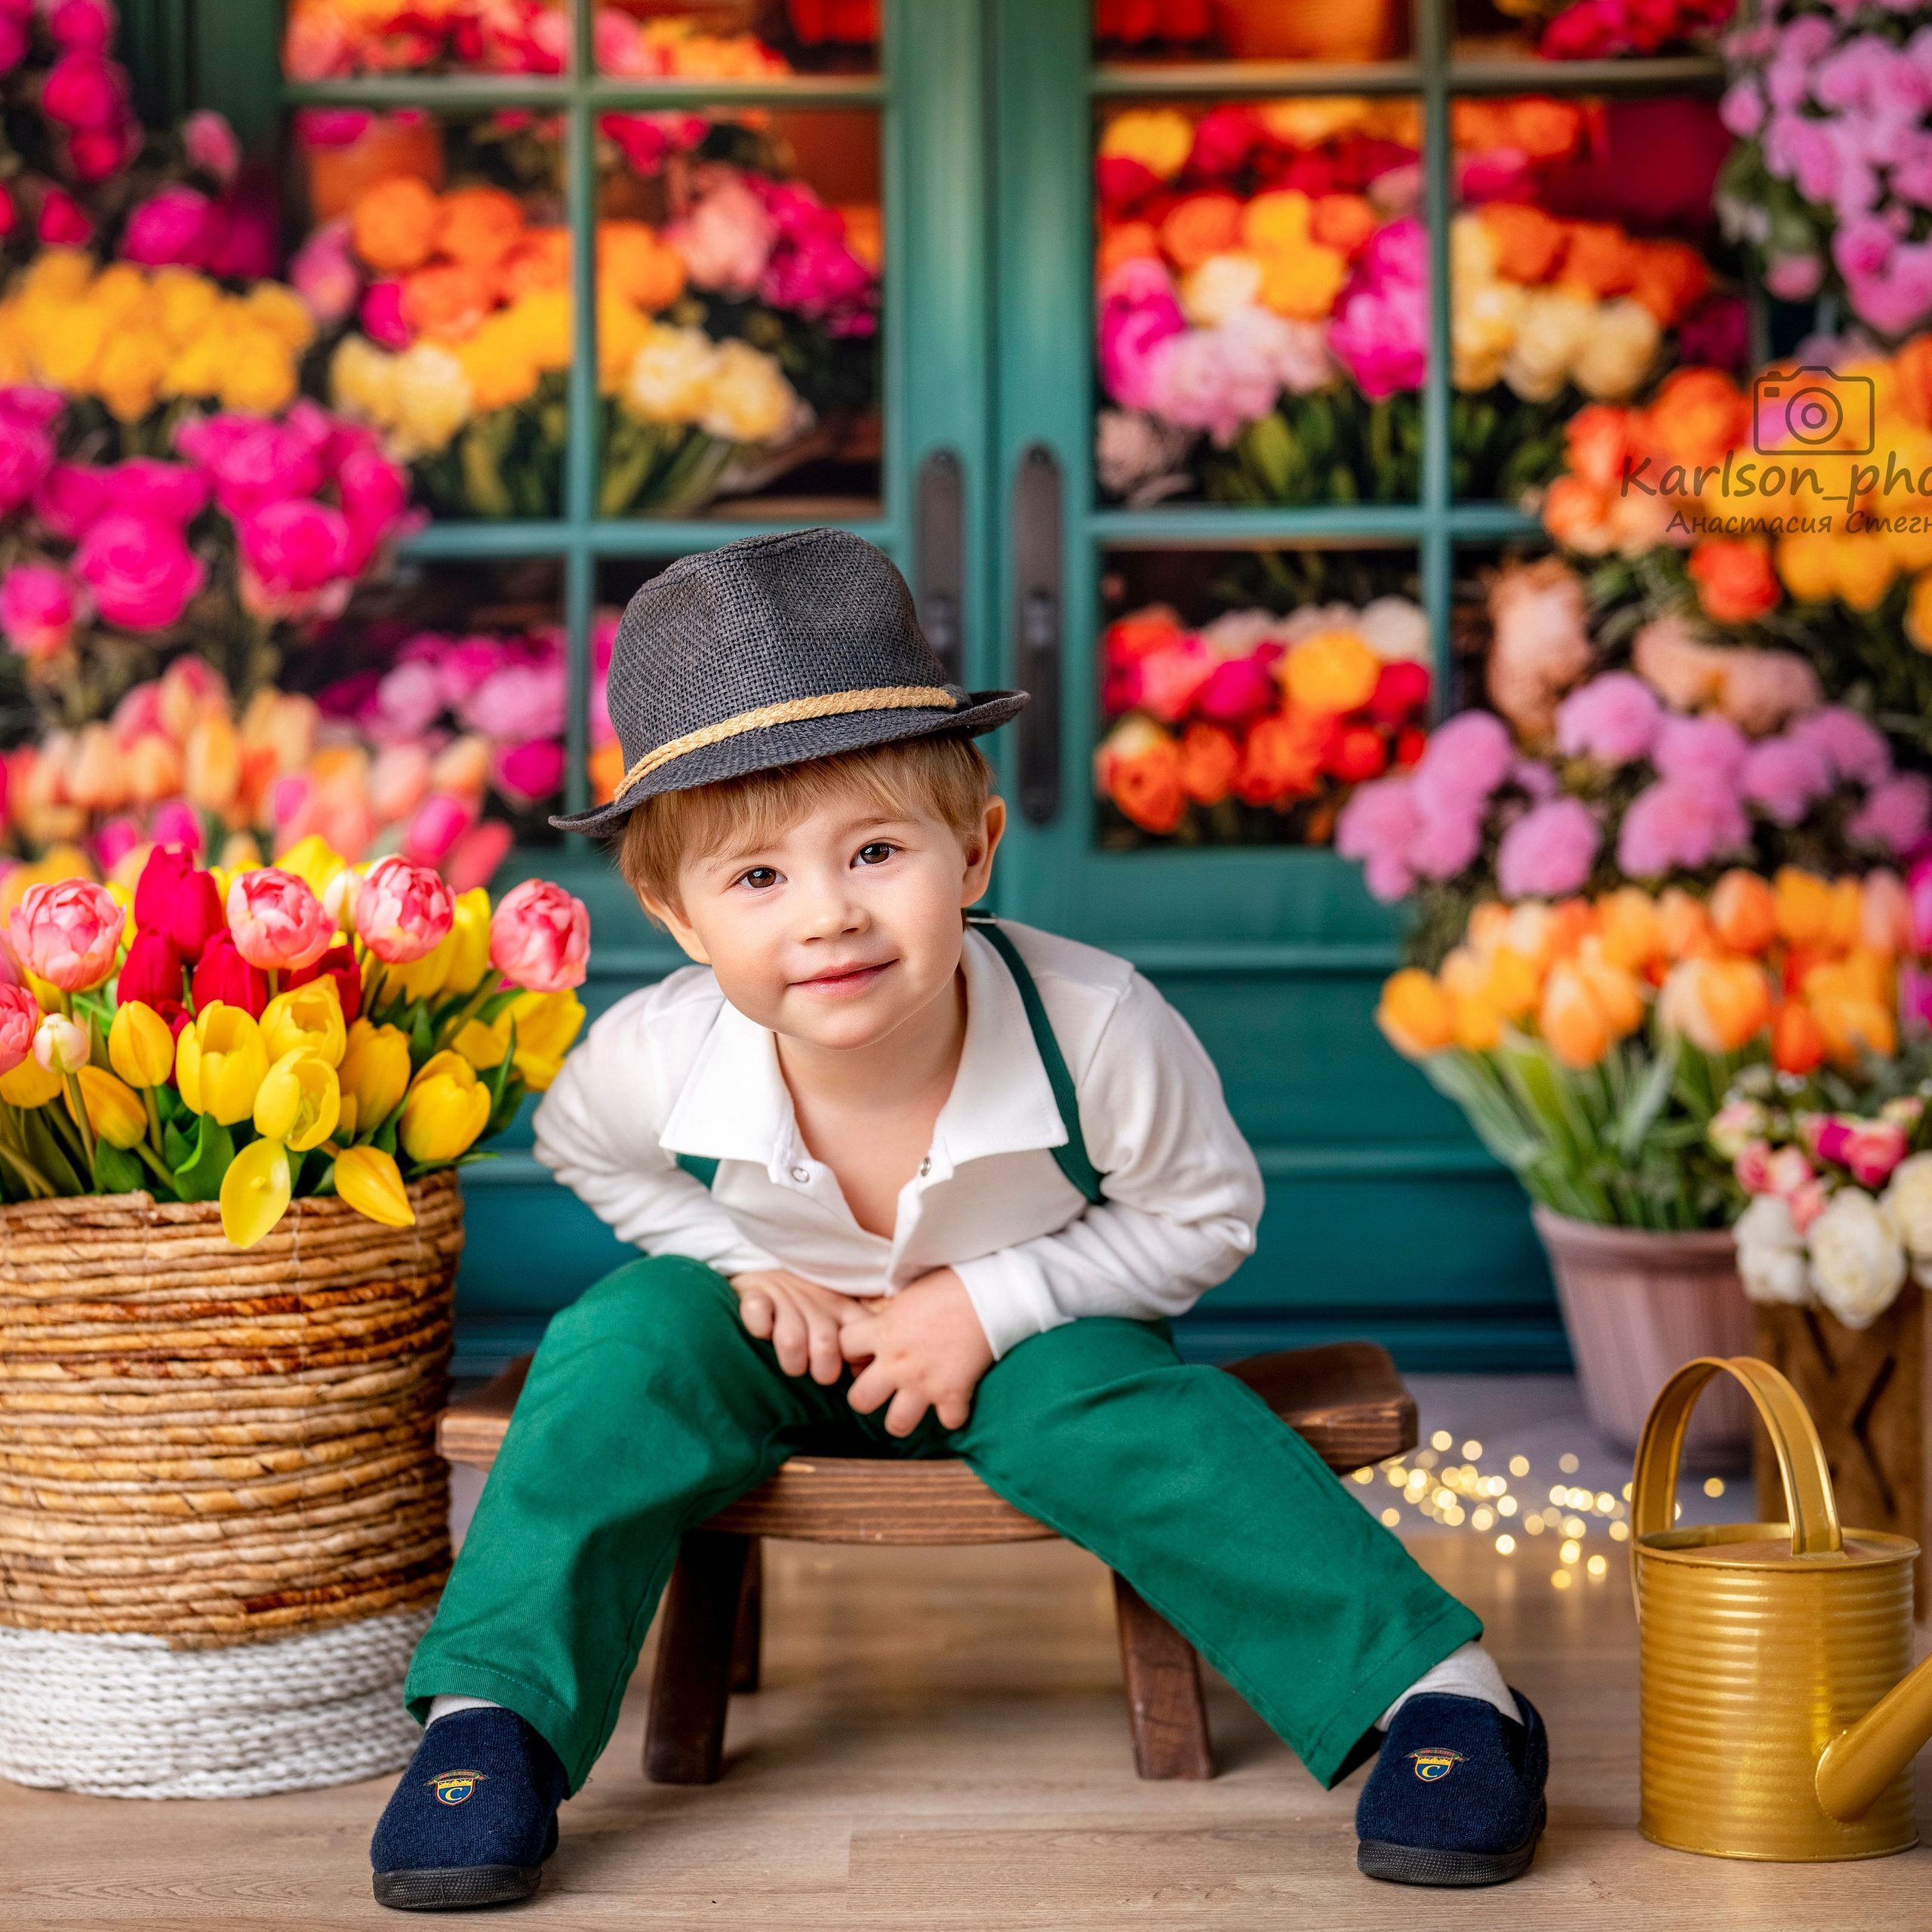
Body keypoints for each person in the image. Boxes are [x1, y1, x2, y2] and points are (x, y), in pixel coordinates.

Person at [368, 529, 1547, 1910]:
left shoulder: (1097, 1026)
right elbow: (585, 1153)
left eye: (876, 850)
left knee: (1148, 1420)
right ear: (677, 915)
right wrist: (739, 1263)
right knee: (617, 1348)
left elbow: (1207, 1214)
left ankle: (1440, 1691)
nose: (830, 917)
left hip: (1029, 1346)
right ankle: (488, 1722)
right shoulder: (653, 1053)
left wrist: (990, 1306)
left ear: (975, 848)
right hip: (773, 1339)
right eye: (757, 879)